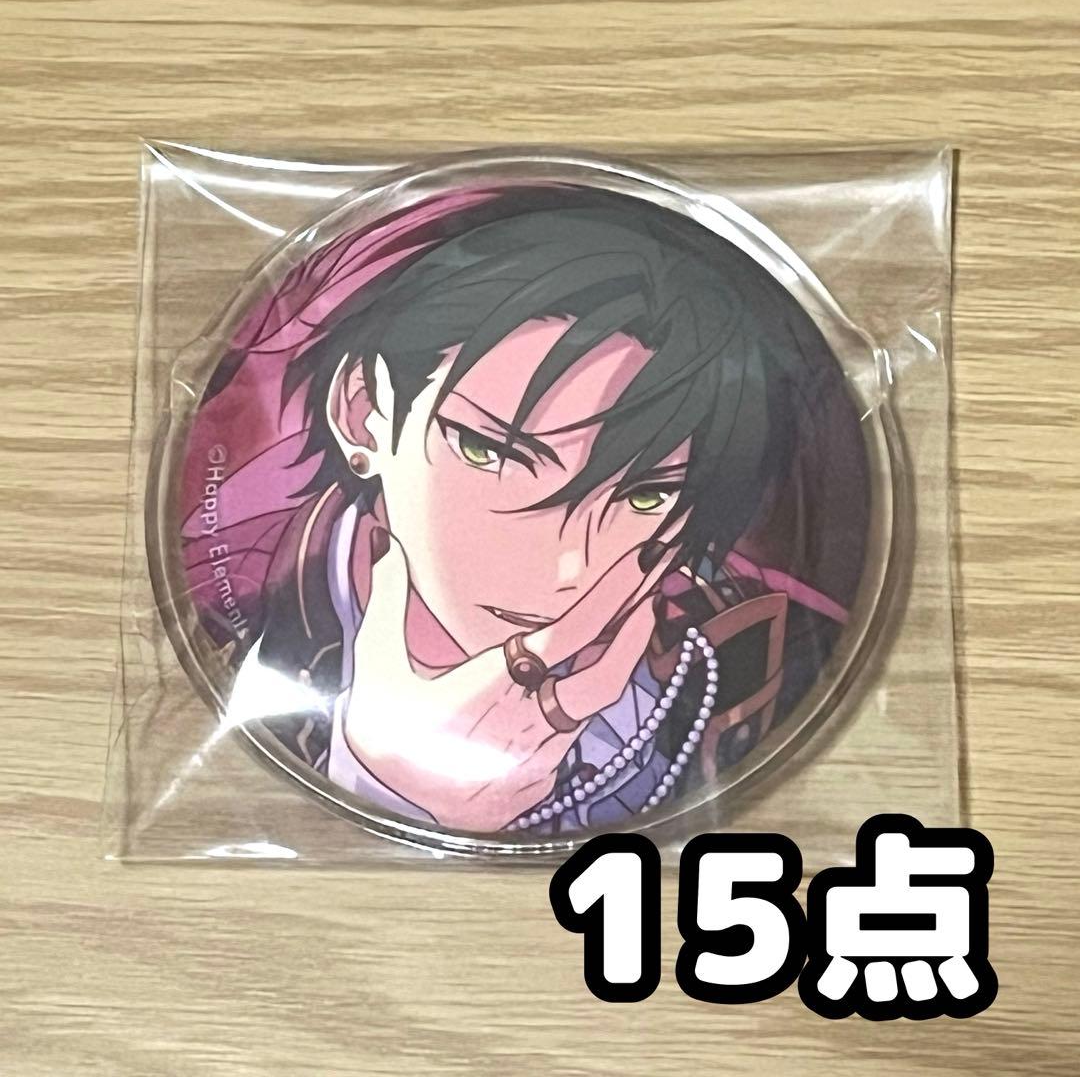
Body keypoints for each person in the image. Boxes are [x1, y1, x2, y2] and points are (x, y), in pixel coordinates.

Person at [182, 184, 866, 835]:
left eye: (645, 495)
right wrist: (385, 790)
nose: (563, 565)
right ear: (365, 414)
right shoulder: (238, 624)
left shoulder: (772, 651)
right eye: (487, 452)